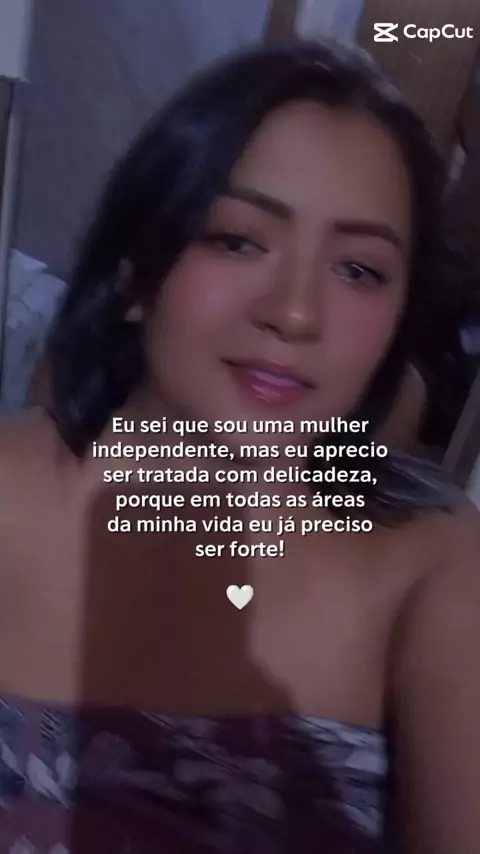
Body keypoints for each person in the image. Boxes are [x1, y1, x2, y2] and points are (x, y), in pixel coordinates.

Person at [0, 39, 479, 854]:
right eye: (237, 240)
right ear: (134, 272)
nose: (295, 313)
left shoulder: (434, 565)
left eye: (359, 270)